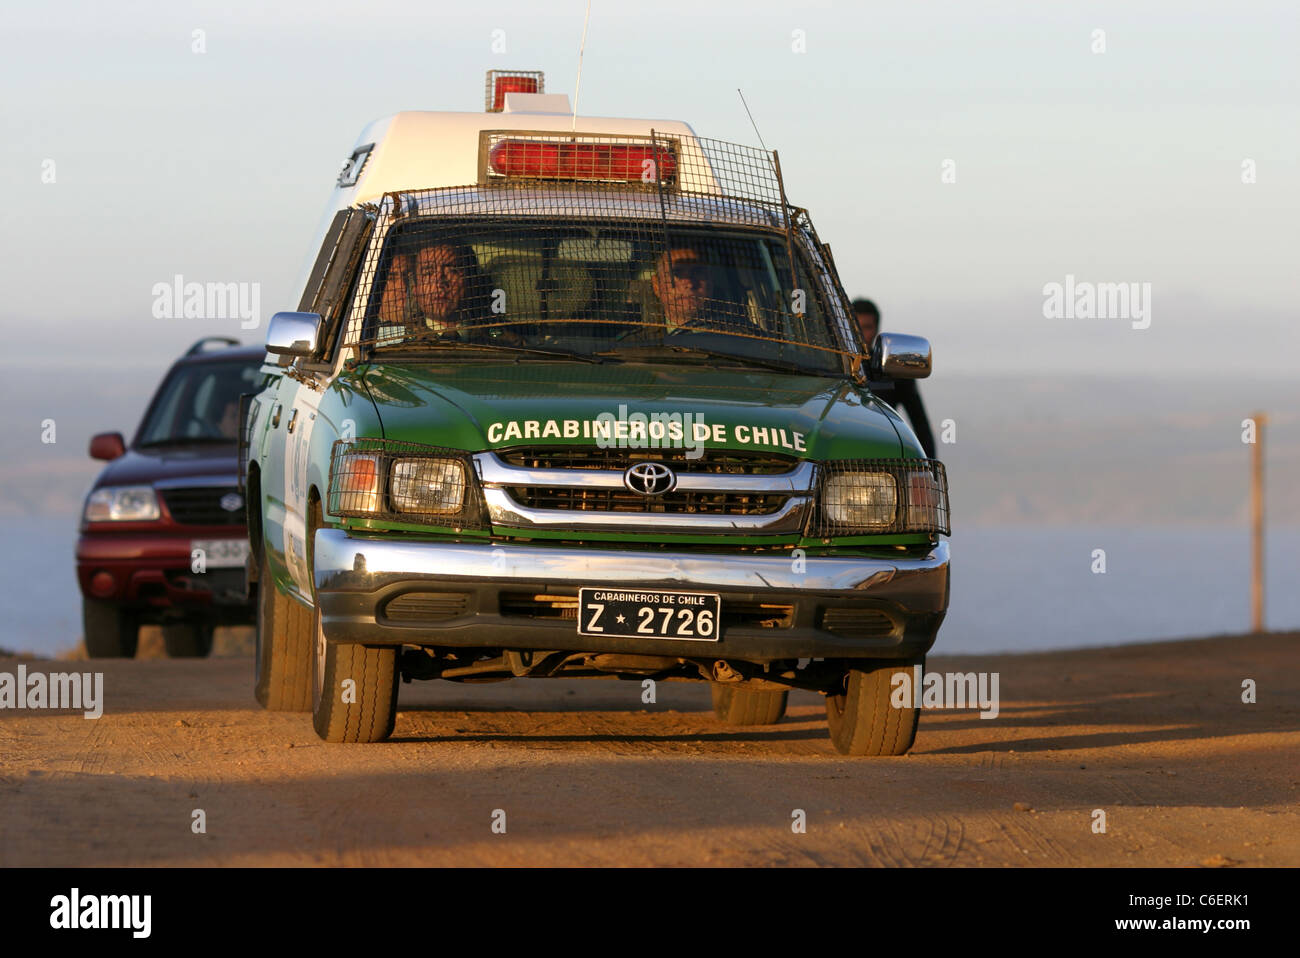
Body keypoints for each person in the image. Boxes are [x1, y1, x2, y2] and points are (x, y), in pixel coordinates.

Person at [853, 297, 936, 458]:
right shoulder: (827, 367)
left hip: (881, 454)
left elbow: (920, 423)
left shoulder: (892, 370)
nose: (861, 333)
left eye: (867, 327)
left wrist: (929, 470)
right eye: (856, 327)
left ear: (877, 330)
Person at [377, 241, 491, 341]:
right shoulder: (395, 342)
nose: (439, 282)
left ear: (472, 281)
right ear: (415, 289)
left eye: (452, 270)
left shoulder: (500, 339)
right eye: (428, 273)